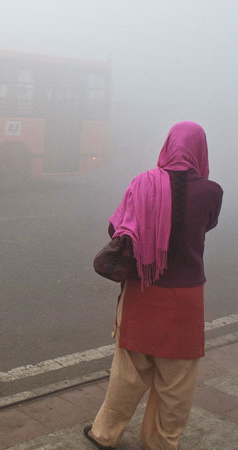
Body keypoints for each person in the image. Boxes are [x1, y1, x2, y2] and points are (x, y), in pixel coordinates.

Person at [83, 122, 223, 450]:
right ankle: (161, 442)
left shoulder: (142, 183)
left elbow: (117, 230)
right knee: (177, 383)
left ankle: (104, 435)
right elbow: (208, 224)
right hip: (186, 299)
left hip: (142, 292)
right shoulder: (212, 191)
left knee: (127, 374)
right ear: (200, 150)